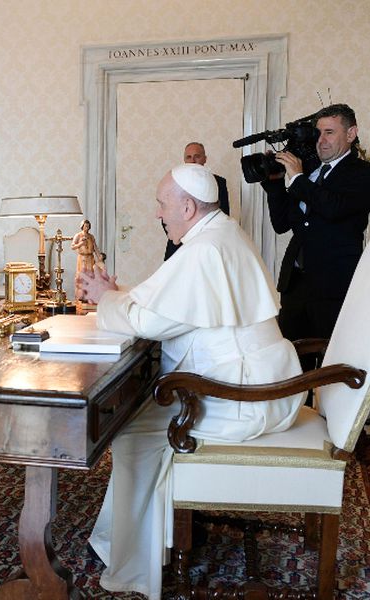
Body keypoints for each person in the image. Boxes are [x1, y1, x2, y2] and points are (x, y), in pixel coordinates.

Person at [77, 163, 305, 600]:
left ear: (187, 205)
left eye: (162, 205)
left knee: (134, 430)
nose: (159, 214)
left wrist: (108, 299)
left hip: (245, 398)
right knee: (138, 422)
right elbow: (170, 302)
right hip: (253, 380)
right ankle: (120, 540)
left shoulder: (204, 248)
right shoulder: (219, 232)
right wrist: (119, 294)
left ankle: (133, 563)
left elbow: (150, 322)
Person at [261, 103, 370, 341]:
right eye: (318, 133)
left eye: (329, 132)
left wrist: (297, 178)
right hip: (294, 286)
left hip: (334, 288)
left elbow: (333, 208)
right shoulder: (308, 173)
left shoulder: (367, 173)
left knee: (331, 365)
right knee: (293, 365)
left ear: (351, 134)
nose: (321, 140)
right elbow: (281, 224)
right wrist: (275, 183)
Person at [163, 142, 230, 260]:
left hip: (208, 248)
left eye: (197, 156)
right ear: (184, 160)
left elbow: (223, 214)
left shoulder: (219, 183)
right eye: (188, 157)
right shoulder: (173, 182)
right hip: (178, 248)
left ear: (205, 159)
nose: (192, 161)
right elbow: (166, 215)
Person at [70, 219, 104, 299]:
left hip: (90, 258)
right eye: (85, 226)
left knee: (91, 276)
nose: (87, 228)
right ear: (82, 226)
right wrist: (80, 244)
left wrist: (99, 256)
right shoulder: (78, 235)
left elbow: (95, 247)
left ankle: (89, 295)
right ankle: (80, 296)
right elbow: (72, 246)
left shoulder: (91, 237)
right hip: (82, 258)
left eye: (88, 226)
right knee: (82, 276)